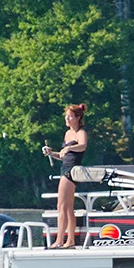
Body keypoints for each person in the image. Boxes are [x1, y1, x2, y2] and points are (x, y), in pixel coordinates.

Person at [42, 104, 88, 247]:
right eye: (66, 116)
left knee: (61, 206)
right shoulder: (67, 134)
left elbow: (82, 146)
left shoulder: (81, 133)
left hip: (71, 172)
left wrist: (68, 147)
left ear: (77, 118)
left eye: (70, 116)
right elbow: (64, 156)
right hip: (65, 167)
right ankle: (70, 240)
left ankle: (59, 240)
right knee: (67, 208)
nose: (67, 119)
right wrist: (52, 153)